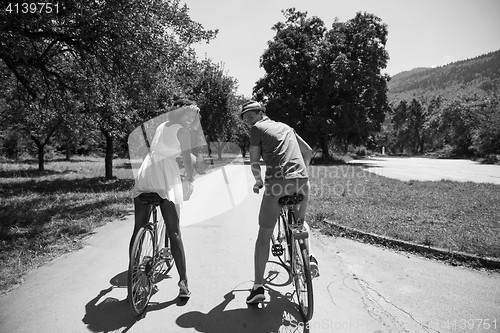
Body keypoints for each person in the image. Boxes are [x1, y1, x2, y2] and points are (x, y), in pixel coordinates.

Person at [240, 101, 320, 304]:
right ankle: (309, 258)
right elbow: (308, 151)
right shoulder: (287, 127)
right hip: (302, 181)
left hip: (277, 184)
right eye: (245, 119)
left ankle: (258, 287)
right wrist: (301, 174)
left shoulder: (257, 129)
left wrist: (258, 181)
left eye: (250, 116)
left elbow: (254, 161)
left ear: (261, 113)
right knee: (300, 224)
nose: (248, 121)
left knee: (264, 233)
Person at [130, 98, 201, 298]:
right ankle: (183, 282)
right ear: (184, 114)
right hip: (165, 176)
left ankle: (133, 274)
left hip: (146, 173)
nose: (192, 118)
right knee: (174, 232)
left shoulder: (162, 125)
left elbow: (161, 148)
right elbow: (186, 159)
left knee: (138, 229)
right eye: (190, 114)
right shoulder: (184, 131)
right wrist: (189, 176)